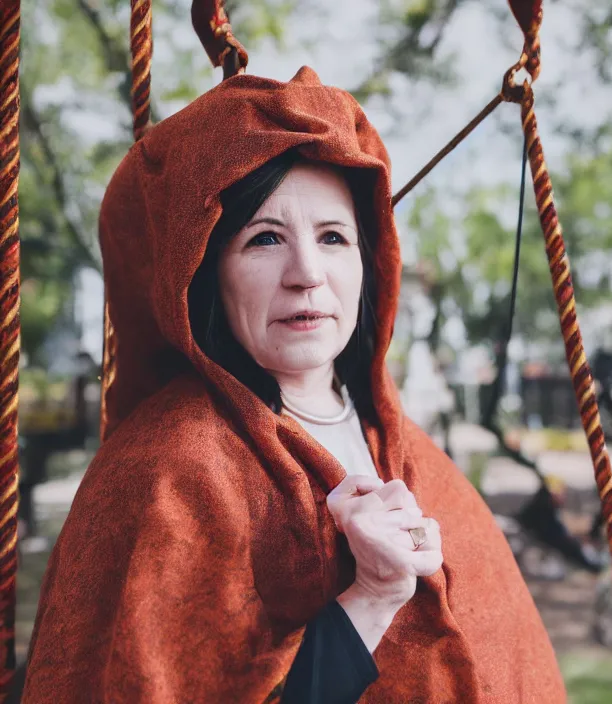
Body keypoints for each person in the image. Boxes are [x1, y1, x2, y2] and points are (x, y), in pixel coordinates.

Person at [23, 66, 566, 703]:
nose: (306, 273)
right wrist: (373, 595)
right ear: (204, 272)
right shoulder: (169, 469)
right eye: (265, 239)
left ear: (368, 263)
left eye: (334, 237)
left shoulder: (408, 448)